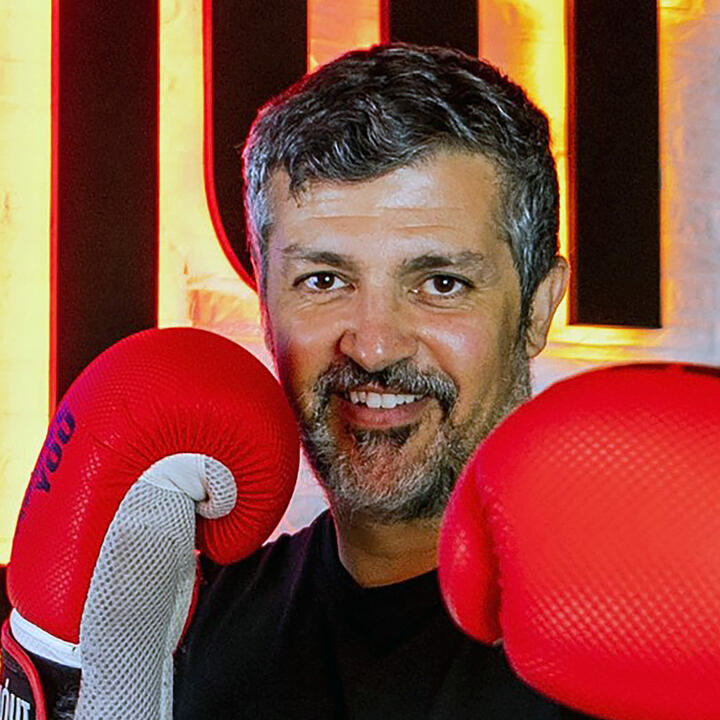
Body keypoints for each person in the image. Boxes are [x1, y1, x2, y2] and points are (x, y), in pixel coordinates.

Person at [173, 43, 589, 719]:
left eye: (441, 283)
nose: (372, 347)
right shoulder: (190, 634)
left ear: (537, 309)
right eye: (324, 280)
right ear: (266, 306)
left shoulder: (650, 642)